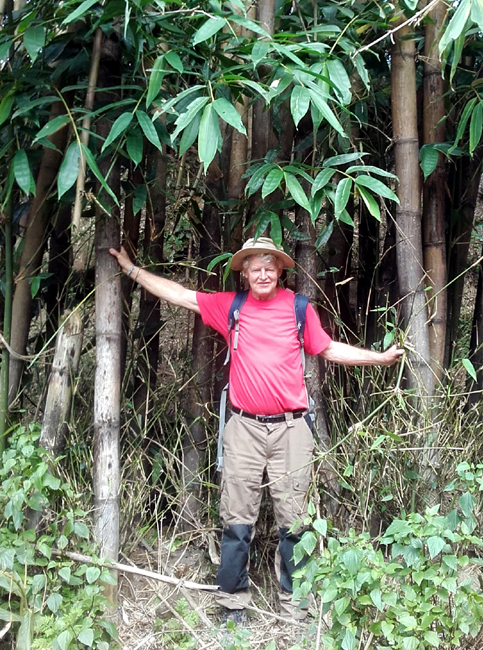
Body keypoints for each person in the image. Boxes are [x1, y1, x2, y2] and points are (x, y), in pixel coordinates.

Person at [110, 235, 402, 619]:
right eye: (255, 267)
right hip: (243, 427)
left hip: (292, 428)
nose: (263, 274)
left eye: (270, 267)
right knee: (236, 518)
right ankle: (232, 603)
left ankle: (296, 605)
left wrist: (378, 359)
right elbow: (180, 295)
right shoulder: (230, 306)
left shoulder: (299, 308)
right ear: (244, 273)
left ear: (280, 271)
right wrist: (132, 270)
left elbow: (328, 349)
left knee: (295, 520)